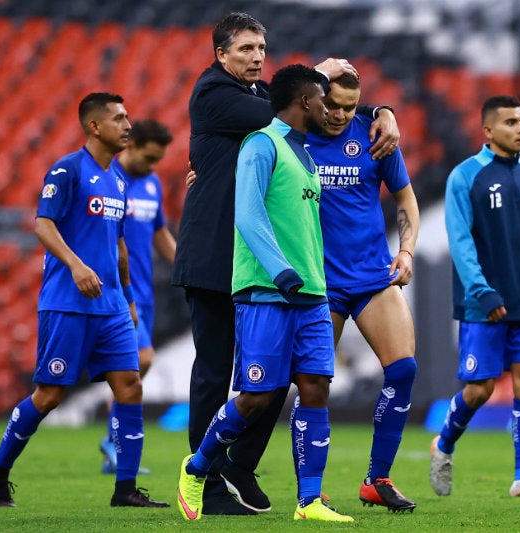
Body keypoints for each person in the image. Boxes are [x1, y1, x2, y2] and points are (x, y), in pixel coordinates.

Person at [171, 11, 400, 515]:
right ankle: (204, 480)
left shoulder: (257, 101)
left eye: (261, 48)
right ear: (220, 55)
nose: (256, 56)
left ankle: (240, 464)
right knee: (216, 370)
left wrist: (379, 108)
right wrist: (314, 82)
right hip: (216, 251)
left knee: (278, 379)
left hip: (261, 256)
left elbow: (295, 118)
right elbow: (288, 114)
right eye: (246, 49)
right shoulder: (213, 93)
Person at [177, 64, 353, 522]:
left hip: (312, 294)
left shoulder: (306, 154)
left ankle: (309, 501)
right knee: (257, 397)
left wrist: (316, 278)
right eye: (323, 100)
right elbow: (249, 216)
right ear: (303, 102)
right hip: (266, 292)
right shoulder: (261, 144)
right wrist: (281, 271)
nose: (329, 109)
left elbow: (305, 229)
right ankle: (197, 469)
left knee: (315, 388)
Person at [0, 93, 167, 508]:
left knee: (130, 386)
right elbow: (42, 224)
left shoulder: (119, 179)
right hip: (68, 302)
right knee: (49, 396)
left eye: (128, 116)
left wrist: (130, 298)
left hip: (113, 305)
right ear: (94, 126)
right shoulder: (68, 170)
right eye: (119, 118)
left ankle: (126, 489)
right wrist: (77, 266)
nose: (128, 124)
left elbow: (119, 248)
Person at [303, 72, 420, 512]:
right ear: (316, 99)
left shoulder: (376, 138)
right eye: (331, 104)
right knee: (315, 383)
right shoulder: (296, 137)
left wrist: (406, 251)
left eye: (350, 107)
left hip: (372, 275)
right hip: (319, 283)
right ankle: (310, 489)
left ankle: (378, 478)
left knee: (404, 369)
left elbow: (406, 200)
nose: (339, 115)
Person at [430, 95, 520, 498]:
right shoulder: (466, 176)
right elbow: (460, 239)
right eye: (510, 123)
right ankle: (444, 443)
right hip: (483, 303)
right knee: (480, 388)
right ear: (488, 131)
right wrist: (481, 291)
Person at [98, 119, 177, 475]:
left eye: (157, 160)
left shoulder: (152, 182)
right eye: (148, 158)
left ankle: (113, 442)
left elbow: (160, 232)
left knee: (135, 367)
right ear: (129, 146)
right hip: (114, 293)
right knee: (141, 360)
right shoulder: (108, 179)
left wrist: (185, 266)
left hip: (143, 292)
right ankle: (114, 440)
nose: (152, 166)